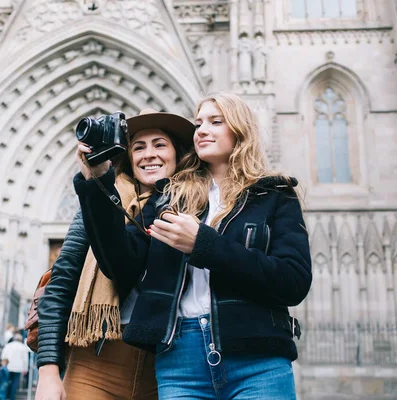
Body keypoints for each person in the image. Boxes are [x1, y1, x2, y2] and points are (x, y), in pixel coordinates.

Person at [75, 92, 312, 399]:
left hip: (257, 357)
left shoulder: (275, 194)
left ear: (240, 130)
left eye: (215, 121)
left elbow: (293, 281)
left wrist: (204, 244)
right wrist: (99, 179)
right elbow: (120, 264)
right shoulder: (168, 198)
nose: (201, 129)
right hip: (180, 359)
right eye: (198, 123)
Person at [35, 109, 195, 400]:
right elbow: (61, 284)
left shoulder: (198, 206)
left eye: (159, 144)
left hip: (169, 365)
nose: (149, 154)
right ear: (127, 157)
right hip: (95, 363)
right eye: (138, 147)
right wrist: (48, 372)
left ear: (178, 153)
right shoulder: (98, 202)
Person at [1, 334, 28, 400]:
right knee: (14, 383)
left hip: (8, 366)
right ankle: (11, 397)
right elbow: (25, 359)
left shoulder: (8, 345)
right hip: (18, 368)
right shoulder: (23, 347)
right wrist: (25, 369)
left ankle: (4, 397)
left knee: (6, 382)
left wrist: (3, 365)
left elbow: (3, 356)